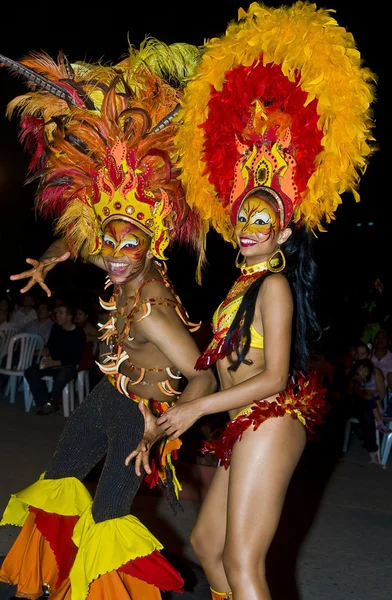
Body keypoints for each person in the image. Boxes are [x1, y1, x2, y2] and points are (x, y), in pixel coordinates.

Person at [129, 4, 376, 599]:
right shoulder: (235, 293)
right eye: (243, 215)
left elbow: (270, 378)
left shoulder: (274, 286)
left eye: (262, 218)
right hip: (241, 425)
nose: (248, 224)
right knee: (209, 549)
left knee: (243, 564)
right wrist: (165, 423)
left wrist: (195, 414)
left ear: (284, 232)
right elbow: (210, 373)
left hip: (271, 418)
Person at [0, 40, 216, 600]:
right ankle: (43, 583)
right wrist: (50, 257)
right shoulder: (121, 267)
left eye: (129, 243)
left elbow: (202, 374)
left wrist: (163, 426)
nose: (116, 252)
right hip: (107, 396)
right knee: (57, 483)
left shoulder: (152, 306)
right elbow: (77, 238)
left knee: (108, 518)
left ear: (153, 245)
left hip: (137, 417)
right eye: (112, 240)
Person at [24, 303, 86, 415]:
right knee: (30, 371)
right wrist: (46, 351)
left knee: (61, 376)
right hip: (53, 364)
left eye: (60, 313)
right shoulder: (56, 328)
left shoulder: (78, 333)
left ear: (69, 316)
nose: (57, 315)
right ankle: (46, 402)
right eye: (57, 312)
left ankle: (50, 401)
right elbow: (50, 346)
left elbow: (75, 358)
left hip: (68, 366)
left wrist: (55, 362)